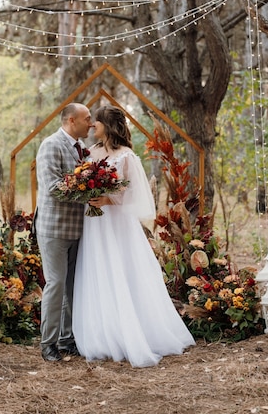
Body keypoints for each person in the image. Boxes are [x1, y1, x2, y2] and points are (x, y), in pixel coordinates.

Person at [73, 105, 195, 367]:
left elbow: (135, 195)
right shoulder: (89, 153)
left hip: (117, 224)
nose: (93, 125)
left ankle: (136, 332)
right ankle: (104, 336)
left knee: (123, 270)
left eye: (97, 122)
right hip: (94, 225)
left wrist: (108, 198)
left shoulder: (126, 156)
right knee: (99, 271)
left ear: (108, 125)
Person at [35, 102, 93, 362]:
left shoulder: (81, 149)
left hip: (77, 229)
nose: (91, 123)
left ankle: (67, 340)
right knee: (56, 284)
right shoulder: (51, 145)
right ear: (71, 120)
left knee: (71, 286)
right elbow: (53, 187)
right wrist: (90, 192)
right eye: (87, 118)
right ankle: (48, 344)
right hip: (54, 228)